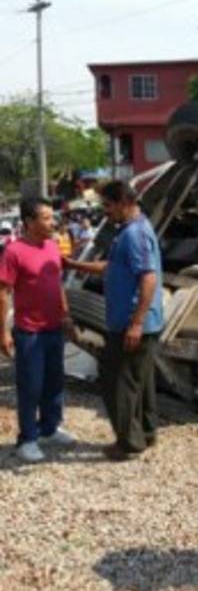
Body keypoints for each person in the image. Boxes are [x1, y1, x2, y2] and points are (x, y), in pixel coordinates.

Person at [66, 180, 163, 461]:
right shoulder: (128, 231)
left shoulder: (135, 234)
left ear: (122, 201)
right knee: (139, 381)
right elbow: (113, 267)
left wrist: (136, 323)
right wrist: (75, 265)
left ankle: (128, 443)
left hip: (132, 324)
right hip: (134, 322)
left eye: (107, 205)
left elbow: (148, 277)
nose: (104, 211)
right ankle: (145, 432)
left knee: (116, 381)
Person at [0, 197, 77, 463]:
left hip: (54, 328)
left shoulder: (53, 247)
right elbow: (3, 293)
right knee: (31, 386)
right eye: (45, 218)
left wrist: (65, 315)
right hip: (29, 332)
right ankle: (27, 439)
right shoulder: (14, 252)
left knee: (54, 382)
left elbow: (57, 285)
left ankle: (49, 428)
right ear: (30, 222)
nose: (52, 222)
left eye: (52, 216)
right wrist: (3, 332)